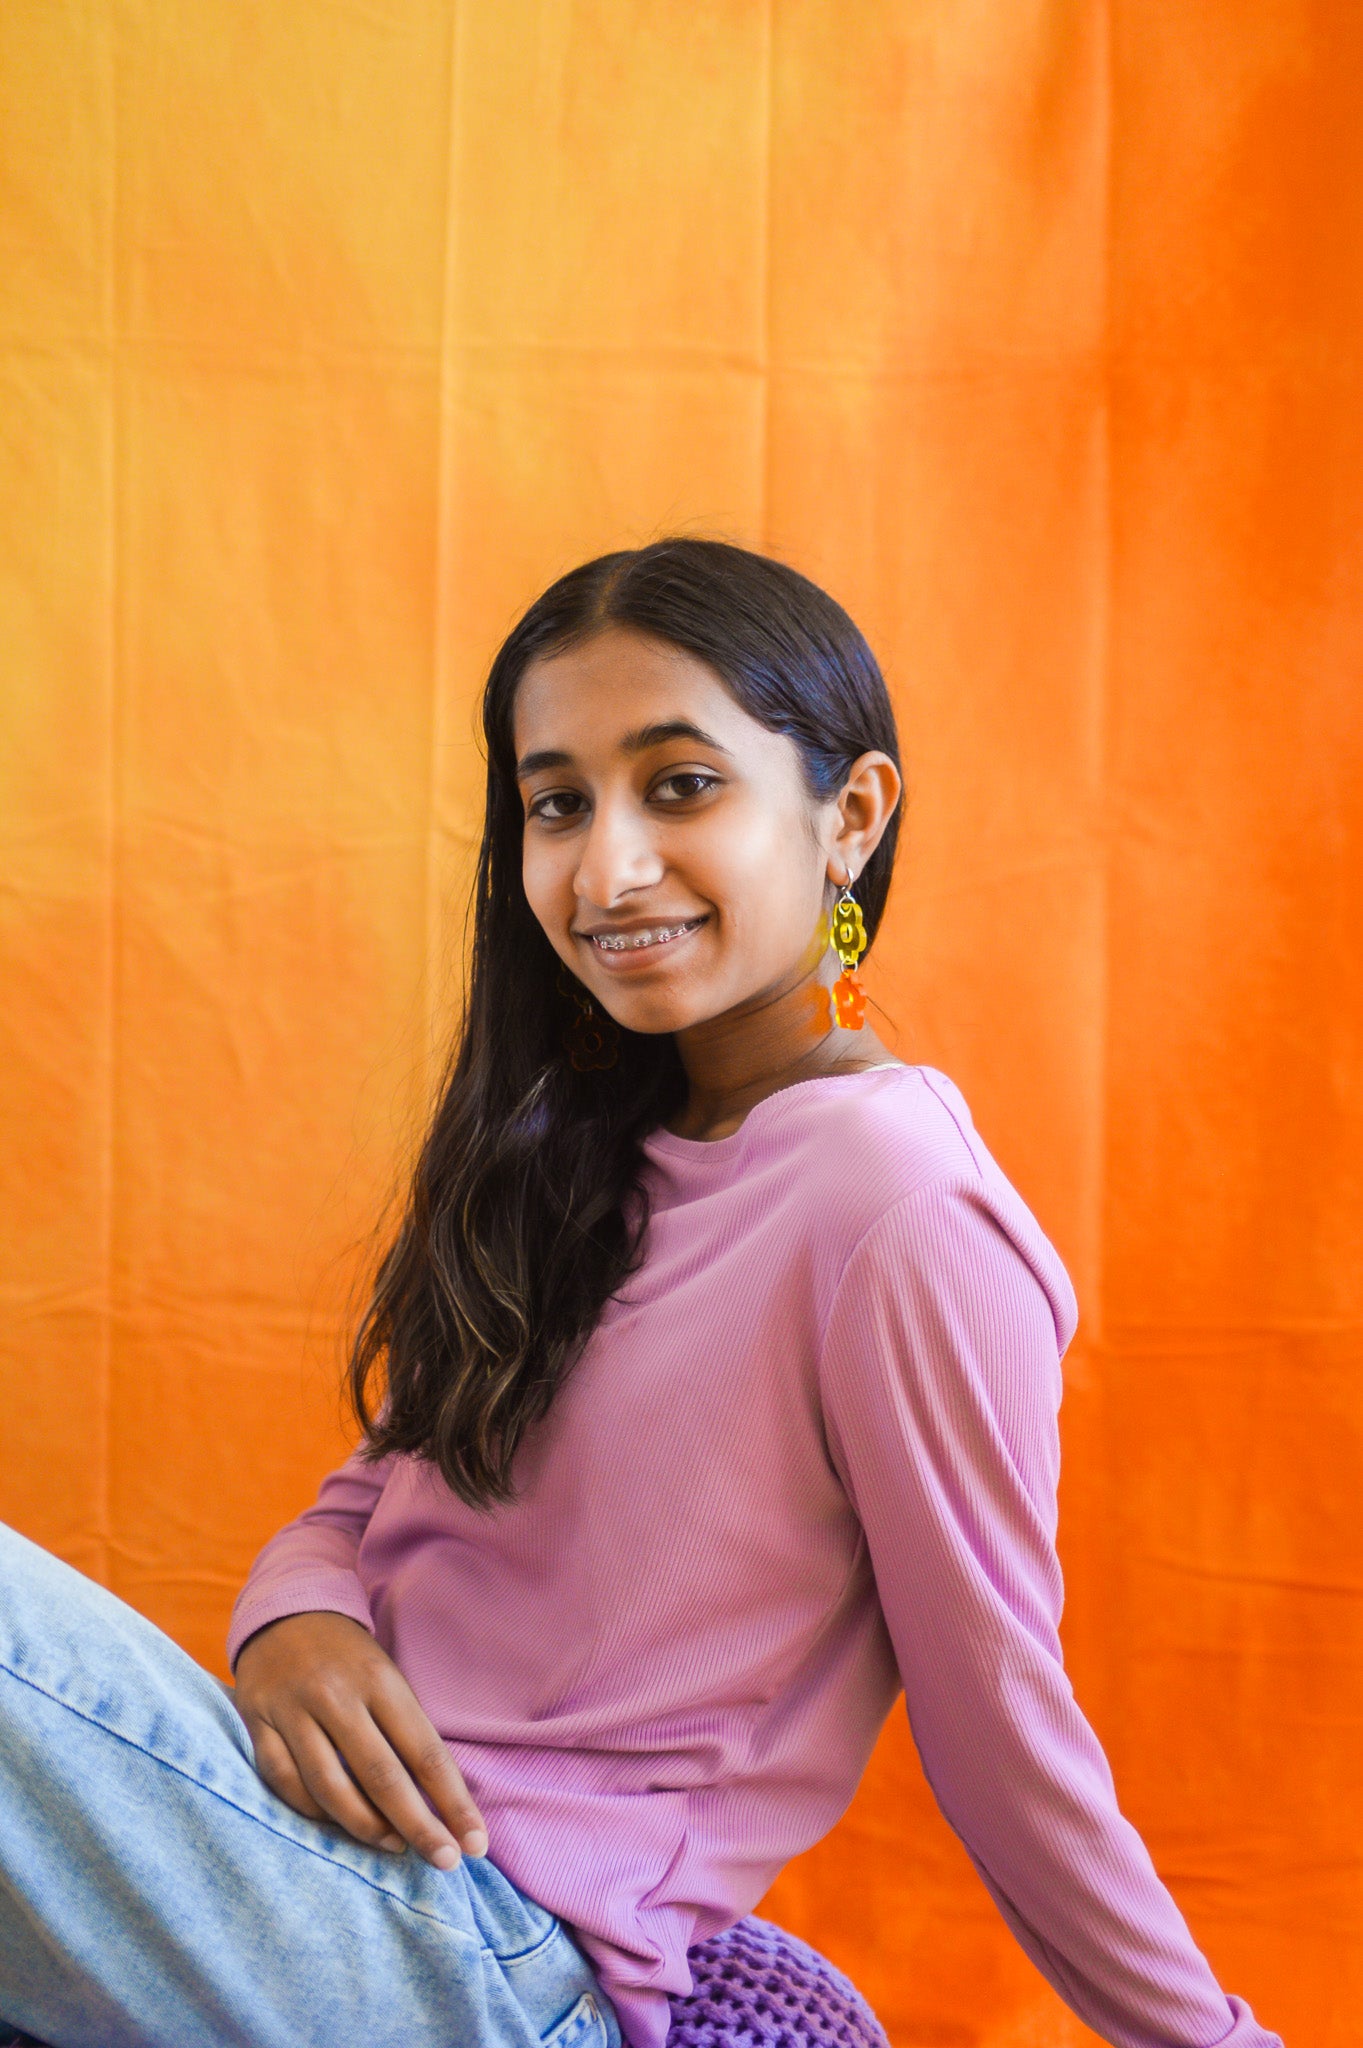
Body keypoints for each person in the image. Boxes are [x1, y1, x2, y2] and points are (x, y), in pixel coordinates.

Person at [0, 539, 1283, 2048]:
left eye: (680, 785)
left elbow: (1004, 1730)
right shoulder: (589, 1144)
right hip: (295, 1852)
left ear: (850, 814)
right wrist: (294, 1620)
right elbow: (378, 1493)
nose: (604, 869)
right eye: (556, 804)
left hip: (484, 1949)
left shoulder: (898, 1208)